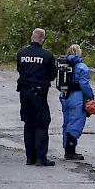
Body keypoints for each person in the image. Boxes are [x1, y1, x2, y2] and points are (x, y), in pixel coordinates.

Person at [16, 28, 57, 166]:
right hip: (39, 93)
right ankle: (40, 157)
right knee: (41, 123)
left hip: (24, 92)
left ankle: (29, 157)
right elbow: (52, 75)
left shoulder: (21, 53)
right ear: (42, 39)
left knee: (28, 124)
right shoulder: (47, 56)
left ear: (32, 37)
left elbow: (19, 69)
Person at [59, 44, 94, 161]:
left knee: (67, 123)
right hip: (76, 97)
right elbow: (84, 85)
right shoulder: (82, 67)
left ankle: (66, 149)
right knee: (76, 123)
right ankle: (71, 151)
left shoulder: (63, 65)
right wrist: (91, 97)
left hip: (64, 96)